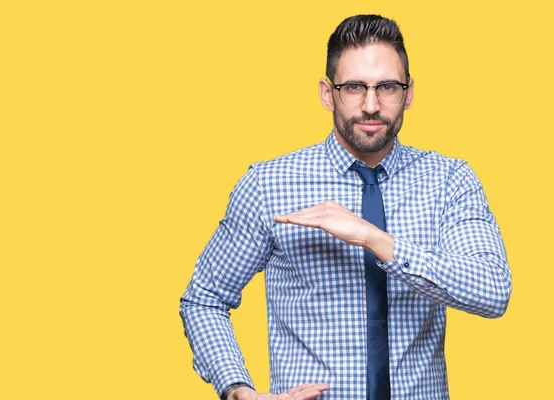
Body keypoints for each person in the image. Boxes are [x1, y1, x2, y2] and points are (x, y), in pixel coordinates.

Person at [179, 14, 511, 400]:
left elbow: (492, 291)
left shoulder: (449, 180)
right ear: (327, 92)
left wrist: (375, 239)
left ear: (409, 92)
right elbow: (205, 298)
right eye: (354, 87)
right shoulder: (268, 184)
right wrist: (238, 389)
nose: (371, 105)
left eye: (387, 86)